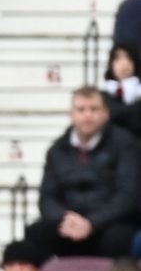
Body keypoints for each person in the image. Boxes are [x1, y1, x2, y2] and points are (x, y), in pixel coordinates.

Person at [26, 87, 140, 261]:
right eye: (81, 109)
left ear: (106, 113)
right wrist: (65, 219)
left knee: (119, 237)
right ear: (71, 114)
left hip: (109, 223)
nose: (88, 115)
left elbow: (127, 196)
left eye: (94, 109)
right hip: (69, 222)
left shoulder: (125, 145)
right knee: (36, 233)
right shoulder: (57, 150)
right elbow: (47, 197)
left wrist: (92, 223)